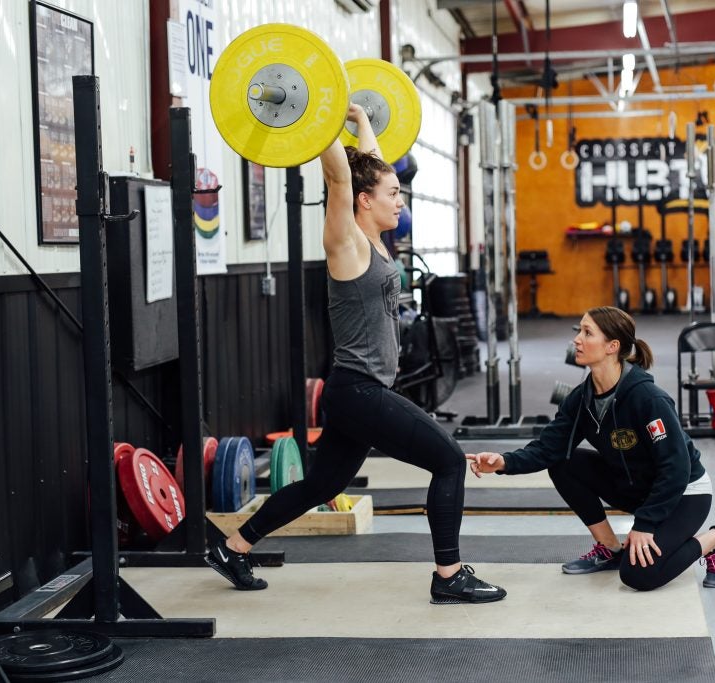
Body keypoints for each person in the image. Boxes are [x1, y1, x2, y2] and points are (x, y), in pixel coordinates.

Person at [206, 104, 506, 605]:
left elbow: (368, 165)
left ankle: (234, 548)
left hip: (359, 392)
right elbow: (341, 178)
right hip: (358, 390)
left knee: (322, 484)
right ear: (364, 201)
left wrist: (361, 116)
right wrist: (313, 114)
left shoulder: (375, 236)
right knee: (450, 461)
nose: (400, 201)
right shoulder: (345, 241)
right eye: (393, 195)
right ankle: (449, 575)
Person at [467, 307, 715, 591]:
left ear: (612, 346)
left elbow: (676, 468)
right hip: (639, 488)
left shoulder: (648, 399)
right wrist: (503, 463)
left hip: (684, 494)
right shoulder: (581, 399)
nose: (577, 341)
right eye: (579, 332)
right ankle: (610, 548)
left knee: (639, 576)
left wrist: (644, 524)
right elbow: (549, 448)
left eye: (587, 333)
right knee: (562, 463)